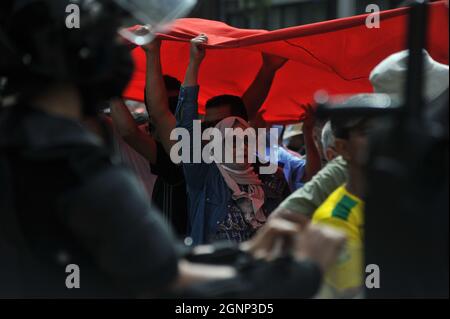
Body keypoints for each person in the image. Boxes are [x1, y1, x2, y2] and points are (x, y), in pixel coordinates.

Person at [0, 0, 346, 299]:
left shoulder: (27, 141)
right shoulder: (67, 162)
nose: (122, 48)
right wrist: (303, 270)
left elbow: (163, 263)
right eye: (111, 35)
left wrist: (247, 255)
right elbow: (172, 284)